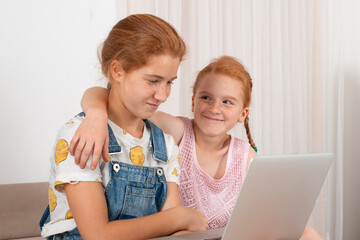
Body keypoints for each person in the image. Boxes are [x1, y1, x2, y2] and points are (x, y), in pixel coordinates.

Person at [72, 56, 324, 239]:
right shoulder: (178, 132)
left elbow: (264, 214)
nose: (215, 108)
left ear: (242, 113)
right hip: (188, 236)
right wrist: (95, 114)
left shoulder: (245, 154)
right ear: (193, 102)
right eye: (206, 98)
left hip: (230, 236)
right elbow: (110, 95)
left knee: (307, 232)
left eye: (227, 102)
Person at [39, 14, 208, 240]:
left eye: (169, 82)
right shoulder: (81, 136)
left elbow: (173, 234)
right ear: (117, 71)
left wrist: (178, 221)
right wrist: (179, 217)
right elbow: (97, 235)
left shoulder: (165, 146)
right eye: (153, 80)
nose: (163, 95)